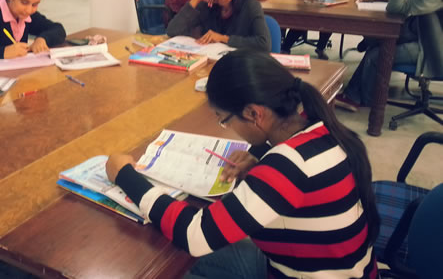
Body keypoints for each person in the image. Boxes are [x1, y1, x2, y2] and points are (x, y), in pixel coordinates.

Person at [106, 50, 379, 279]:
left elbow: (193, 234)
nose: (227, 126)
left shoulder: (286, 168)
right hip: (321, 268)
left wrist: (124, 174)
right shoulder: (318, 125)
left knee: (174, 261)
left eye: (224, 119)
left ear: (254, 113)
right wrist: (260, 154)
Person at [336, 0, 443, 111]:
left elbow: (396, 7)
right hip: (424, 37)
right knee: (379, 42)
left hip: (433, 49)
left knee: (377, 54)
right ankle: (353, 95)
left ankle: (367, 101)